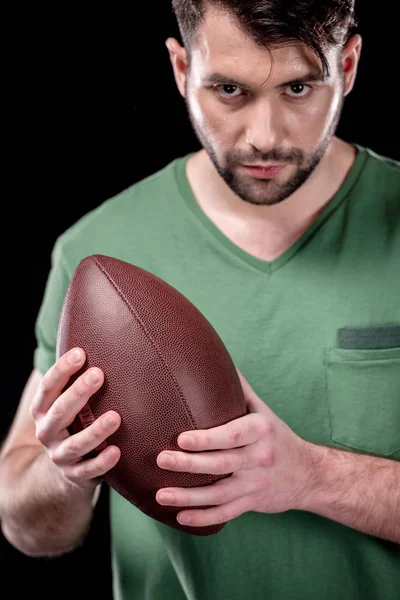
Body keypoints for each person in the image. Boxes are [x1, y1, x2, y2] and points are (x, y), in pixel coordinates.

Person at [1, 0, 399, 598]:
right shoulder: (95, 252)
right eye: (231, 89)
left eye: (298, 87)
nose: (265, 136)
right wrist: (65, 473)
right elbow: (27, 527)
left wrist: (312, 477)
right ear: (182, 70)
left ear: (348, 65)